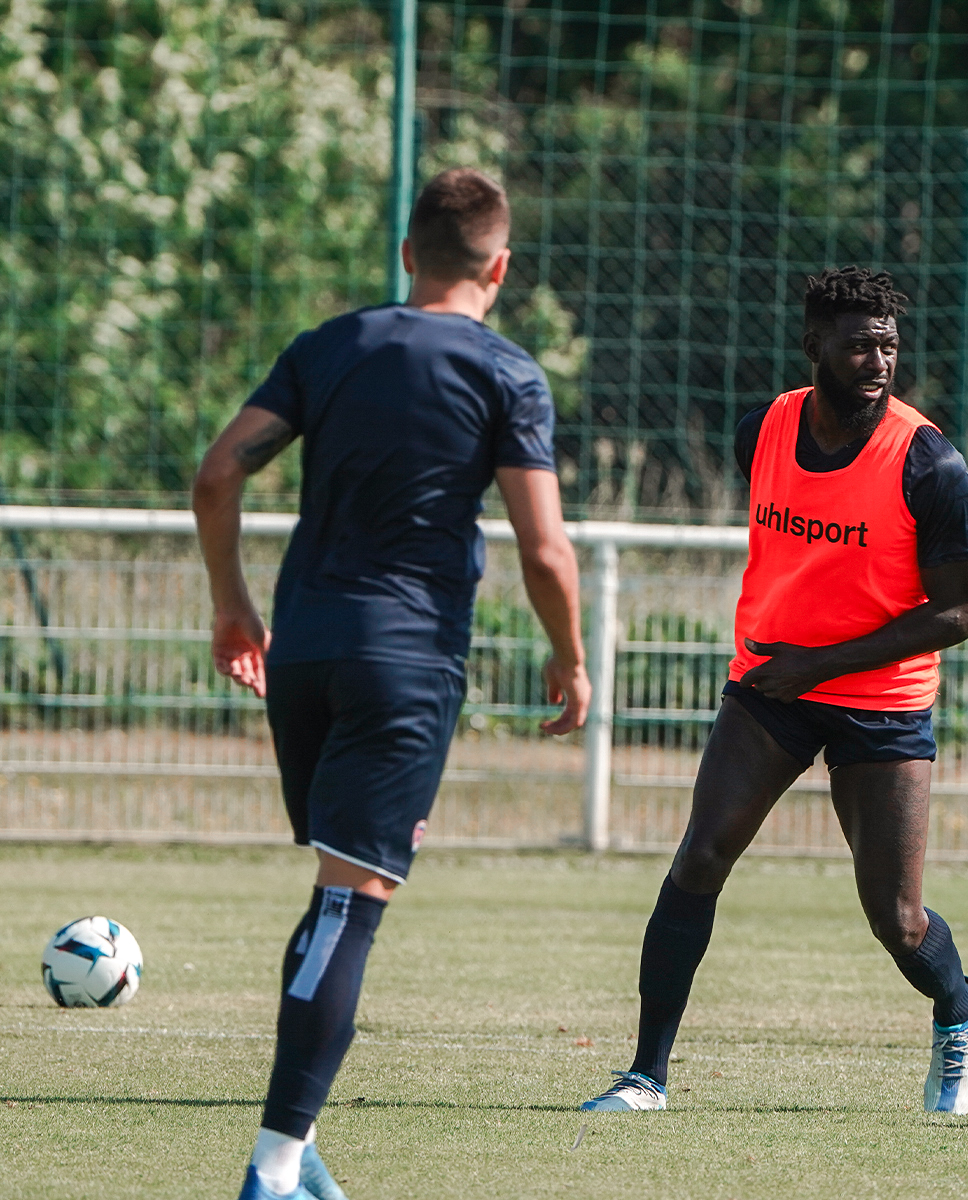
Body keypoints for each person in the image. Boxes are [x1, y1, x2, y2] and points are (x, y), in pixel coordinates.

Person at [193, 167, 590, 1200]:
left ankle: (301, 1139)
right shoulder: (506, 374)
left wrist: (232, 606)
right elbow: (545, 550)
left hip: (305, 653)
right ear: (499, 268)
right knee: (350, 905)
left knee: (334, 887)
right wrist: (571, 655)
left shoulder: (331, 345)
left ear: (408, 253)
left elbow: (218, 472)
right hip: (403, 662)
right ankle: (275, 1166)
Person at [581, 266, 968, 1114]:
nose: (877, 361)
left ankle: (957, 1008)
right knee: (700, 858)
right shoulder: (762, 427)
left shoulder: (930, 463)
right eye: (857, 345)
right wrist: (793, 662)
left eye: (888, 345)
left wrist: (821, 663)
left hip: (884, 699)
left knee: (897, 919)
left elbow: (957, 614)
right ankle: (646, 1076)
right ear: (814, 349)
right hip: (771, 686)